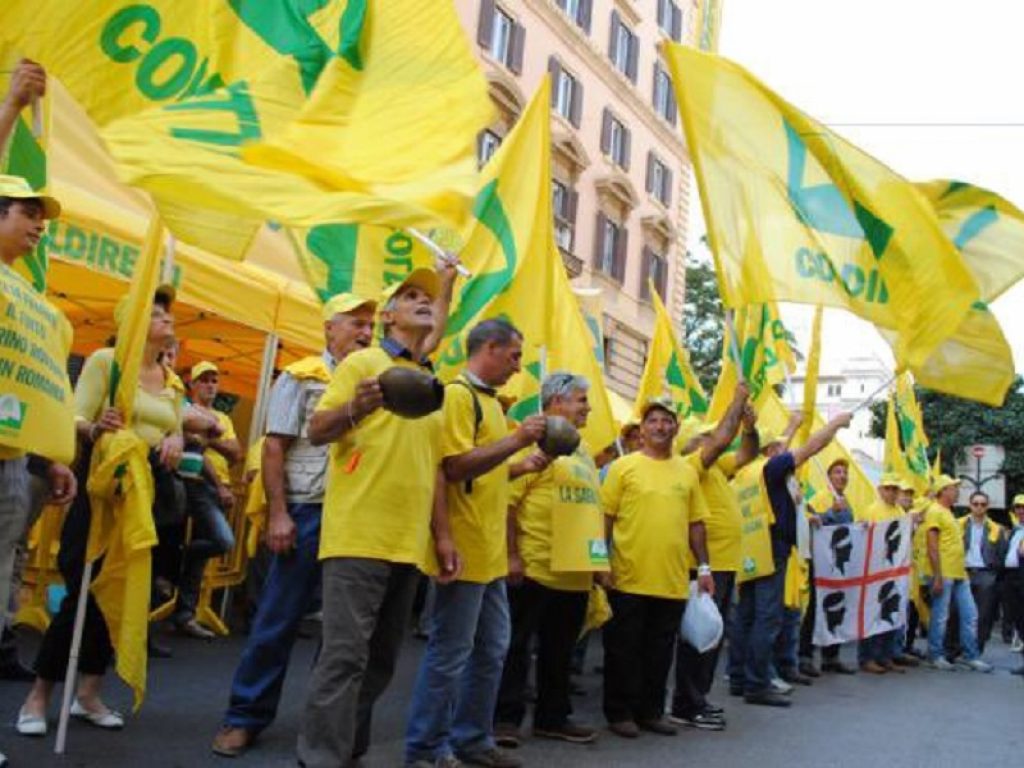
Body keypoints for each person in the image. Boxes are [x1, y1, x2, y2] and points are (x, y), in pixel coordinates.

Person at [298, 265, 454, 768]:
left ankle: (350, 749)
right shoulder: (361, 361)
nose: (422, 301)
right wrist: (355, 411)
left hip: (407, 542)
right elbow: (317, 429)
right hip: (358, 536)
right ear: (388, 315)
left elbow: (431, 469)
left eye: (426, 297)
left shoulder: (427, 378)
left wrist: (441, 537)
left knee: (382, 662)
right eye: (410, 295)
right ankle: (321, 757)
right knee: (344, 657)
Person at [212, 294, 377, 757]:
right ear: (329, 329)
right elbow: (273, 447)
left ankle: (325, 730)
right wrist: (280, 513)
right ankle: (243, 717)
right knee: (277, 620)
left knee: (344, 634)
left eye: (371, 325)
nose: (366, 332)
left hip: (357, 517)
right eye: (356, 323)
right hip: (307, 510)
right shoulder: (302, 376)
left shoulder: (378, 383)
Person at [18, 286, 184, 737]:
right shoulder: (106, 364)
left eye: (167, 313)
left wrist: (175, 440)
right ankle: (38, 696)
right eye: (155, 313)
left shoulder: (171, 378)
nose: (167, 319)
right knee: (84, 596)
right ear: (131, 321)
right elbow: (72, 417)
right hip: (102, 496)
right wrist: (96, 427)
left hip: (148, 499)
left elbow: (178, 428)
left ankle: (88, 693)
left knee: (126, 597)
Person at [405, 319, 546, 768]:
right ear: (489, 348)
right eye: (514, 356)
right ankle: (426, 748)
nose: (518, 366)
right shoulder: (458, 396)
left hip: (488, 556)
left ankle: (472, 740)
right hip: (463, 549)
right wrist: (516, 440)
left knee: (491, 649)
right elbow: (453, 469)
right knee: (450, 653)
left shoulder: (491, 404)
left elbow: (486, 472)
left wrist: (520, 464)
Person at [0, 63, 76, 766]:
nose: (38, 227)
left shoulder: (28, 299)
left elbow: (41, 385)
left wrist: (54, 454)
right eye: (28, 213)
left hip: (11, 470)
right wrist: (13, 106)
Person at [493, 372, 603, 748]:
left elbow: (590, 509)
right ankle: (505, 719)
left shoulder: (583, 451)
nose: (587, 407)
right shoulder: (532, 443)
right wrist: (511, 555)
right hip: (535, 567)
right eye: (581, 399)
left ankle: (552, 718)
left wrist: (598, 565)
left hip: (574, 573)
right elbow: (507, 503)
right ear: (556, 403)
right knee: (516, 646)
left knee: (560, 651)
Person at [601, 398, 714, 737]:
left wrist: (705, 568)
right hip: (627, 577)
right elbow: (603, 518)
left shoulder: (687, 471)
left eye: (667, 421)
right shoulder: (624, 467)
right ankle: (619, 713)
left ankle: (651, 711)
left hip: (672, 579)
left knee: (660, 652)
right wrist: (598, 563)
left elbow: (696, 524)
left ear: (676, 428)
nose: (660, 427)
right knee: (623, 650)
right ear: (643, 429)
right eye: (653, 421)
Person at [731, 410, 853, 707]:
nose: (786, 450)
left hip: (751, 548)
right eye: (781, 447)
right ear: (771, 451)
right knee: (766, 617)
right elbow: (811, 448)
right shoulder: (771, 469)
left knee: (746, 616)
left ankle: (739, 677)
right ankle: (758, 684)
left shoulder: (749, 472)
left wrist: (794, 423)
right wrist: (835, 424)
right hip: (771, 548)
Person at [670, 383, 758, 731]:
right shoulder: (693, 465)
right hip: (704, 565)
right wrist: (736, 400)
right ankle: (687, 703)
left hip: (724, 564)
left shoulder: (717, 468)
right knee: (698, 635)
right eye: (705, 437)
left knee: (712, 635)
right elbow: (722, 440)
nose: (715, 441)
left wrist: (749, 428)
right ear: (693, 444)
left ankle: (698, 699)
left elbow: (746, 453)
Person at [171, 361, 240, 638]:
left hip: (215, 487)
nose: (211, 385)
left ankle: (184, 614)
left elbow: (236, 453)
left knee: (206, 552)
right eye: (205, 380)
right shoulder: (184, 410)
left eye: (215, 380)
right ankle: (176, 562)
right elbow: (194, 451)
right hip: (192, 482)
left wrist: (208, 438)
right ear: (192, 384)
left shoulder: (224, 418)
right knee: (222, 540)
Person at [923, 475, 991, 672]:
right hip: (944, 573)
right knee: (940, 615)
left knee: (970, 615)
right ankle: (935, 655)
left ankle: (971, 655)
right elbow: (932, 545)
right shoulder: (935, 511)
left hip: (959, 573)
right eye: (954, 488)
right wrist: (937, 575)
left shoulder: (947, 512)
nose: (957, 491)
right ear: (943, 491)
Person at [799, 458, 857, 676]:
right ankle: (805, 655)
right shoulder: (820, 498)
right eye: (838, 472)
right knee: (815, 609)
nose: (842, 476)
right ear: (829, 477)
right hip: (821, 564)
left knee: (837, 609)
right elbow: (811, 522)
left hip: (838, 566)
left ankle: (831, 656)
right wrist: (830, 512)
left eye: (845, 473)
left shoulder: (847, 501)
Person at [855, 474, 907, 673]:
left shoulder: (900, 511)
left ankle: (885, 656)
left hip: (893, 572)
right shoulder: (871, 510)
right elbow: (859, 535)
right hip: (875, 572)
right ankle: (867, 657)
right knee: (872, 615)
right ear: (880, 490)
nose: (892, 492)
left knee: (890, 613)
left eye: (895, 489)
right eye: (888, 488)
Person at [948, 491, 1006, 656]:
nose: (979, 507)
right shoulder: (958, 524)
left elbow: (1001, 554)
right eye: (976, 504)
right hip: (962, 571)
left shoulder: (996, 528)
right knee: (956, 611)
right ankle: (953, 649)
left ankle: (975, 651)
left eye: (983, 504)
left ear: (987, 507)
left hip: (985, 574)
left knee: (983, 615)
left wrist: (993, 573)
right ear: (970, 505)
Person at [1002, 495, 1024, 676]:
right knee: (1018, 619)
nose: (1021, 511)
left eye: (1023, 507)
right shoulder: (1016, 530)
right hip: (1011, 578)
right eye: (1018, 507)